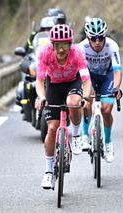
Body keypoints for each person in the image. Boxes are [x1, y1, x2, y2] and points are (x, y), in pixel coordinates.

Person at [36, 24, 92, 189]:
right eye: (58, 46)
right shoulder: (44, 53)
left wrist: (86, 97)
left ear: (70, 44)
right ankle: (48, 172)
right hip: (53, 85)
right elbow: (39, 81)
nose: (61, 50)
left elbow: (86, 80)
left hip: (72, 83)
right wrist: (42, 97)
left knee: (73, 103)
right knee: (52, 128)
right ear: (52, 45)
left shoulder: (77, 54)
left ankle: (75, 136)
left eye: (65, 45)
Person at [78, 17, 123, 163]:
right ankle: (85, 136)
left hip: (107, 77)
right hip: (89, 76)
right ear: (88, 37)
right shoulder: (81, 48)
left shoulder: (112, 46)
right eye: (93, 38)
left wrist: (116, 88)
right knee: (87, 100)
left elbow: (117, 71)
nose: (97, 42)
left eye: (100, 38)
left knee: (106, 109)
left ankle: (108, 143)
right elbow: (80, 72)